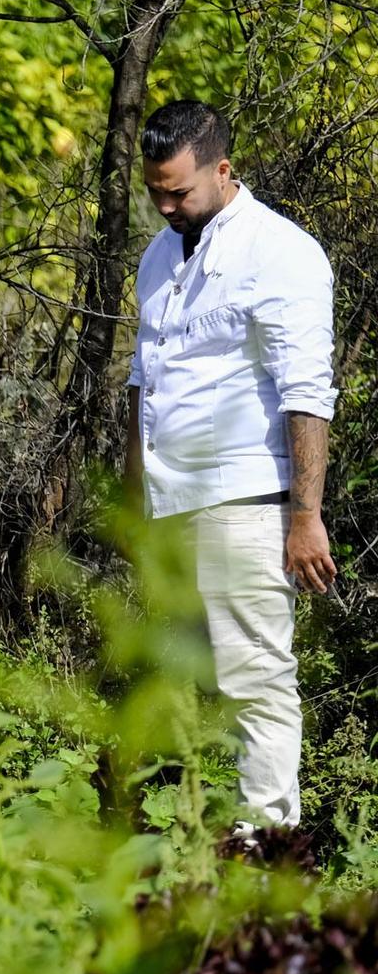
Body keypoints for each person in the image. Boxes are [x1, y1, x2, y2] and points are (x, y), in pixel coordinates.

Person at [127, 100, 337, 831]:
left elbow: (307, 391)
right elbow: (143, 382)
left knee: (257, 681)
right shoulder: (160, 255)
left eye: (178, 191)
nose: (164, 205)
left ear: (222, 169)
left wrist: (304, 517)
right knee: (177, 689)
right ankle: (184, 844)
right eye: (154, 190)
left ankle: (268, 853)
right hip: (172, 503)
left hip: (247, 501)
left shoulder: (280, 252)